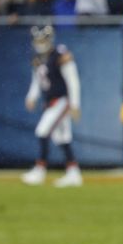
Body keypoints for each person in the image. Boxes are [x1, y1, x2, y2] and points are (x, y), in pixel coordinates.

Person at [20, 25, 83, 187]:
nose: (40, 43)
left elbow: (73, 80)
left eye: (43, 39)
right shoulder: (38, 58)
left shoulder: (60, 55)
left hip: (61, 101)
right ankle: (73, 173)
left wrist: (75, 104)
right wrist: (31, 97)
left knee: (42, 131)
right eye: (38, 39)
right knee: (63, 138)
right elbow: (37, 80)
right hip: (50, 102)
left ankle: (40, 171)